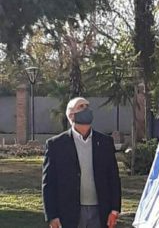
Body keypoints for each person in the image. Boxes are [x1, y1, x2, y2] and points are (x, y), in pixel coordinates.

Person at [42, 97, 121, 228]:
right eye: (81, 106)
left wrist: (114, 209)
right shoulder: (56, 145)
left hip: (100, 211)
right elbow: (49, 183)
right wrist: (51, 215)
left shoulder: (105, 142)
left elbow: (113, 178)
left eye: (87, 106)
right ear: (71, 115)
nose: (86, 109)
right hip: (69, 212)